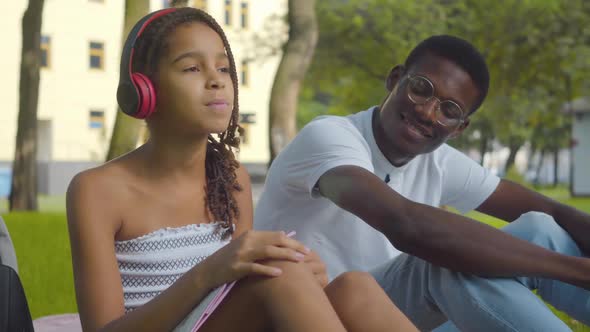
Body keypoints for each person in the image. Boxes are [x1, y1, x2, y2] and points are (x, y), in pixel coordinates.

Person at [66, 7, 417, 332]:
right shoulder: (96, 190)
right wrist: (210, 272)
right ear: (144, 90)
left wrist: (311, 278)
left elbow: (241, 292)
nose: (216, 80)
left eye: (223, 68)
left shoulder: (231, 179)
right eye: (191, 68)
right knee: (279, 276)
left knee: (354, 287)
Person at [254, 35, 590, 332]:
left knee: (539, 227)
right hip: (323, 316)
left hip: (395, 316)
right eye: (421, 89)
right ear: (396, 79)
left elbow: (549, 209)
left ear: (459, 127)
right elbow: (406, 224)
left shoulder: (438, 160)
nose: (429, 113)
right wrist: (575, 270)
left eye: (449, 109)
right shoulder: (329, 137)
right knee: (444, 261)